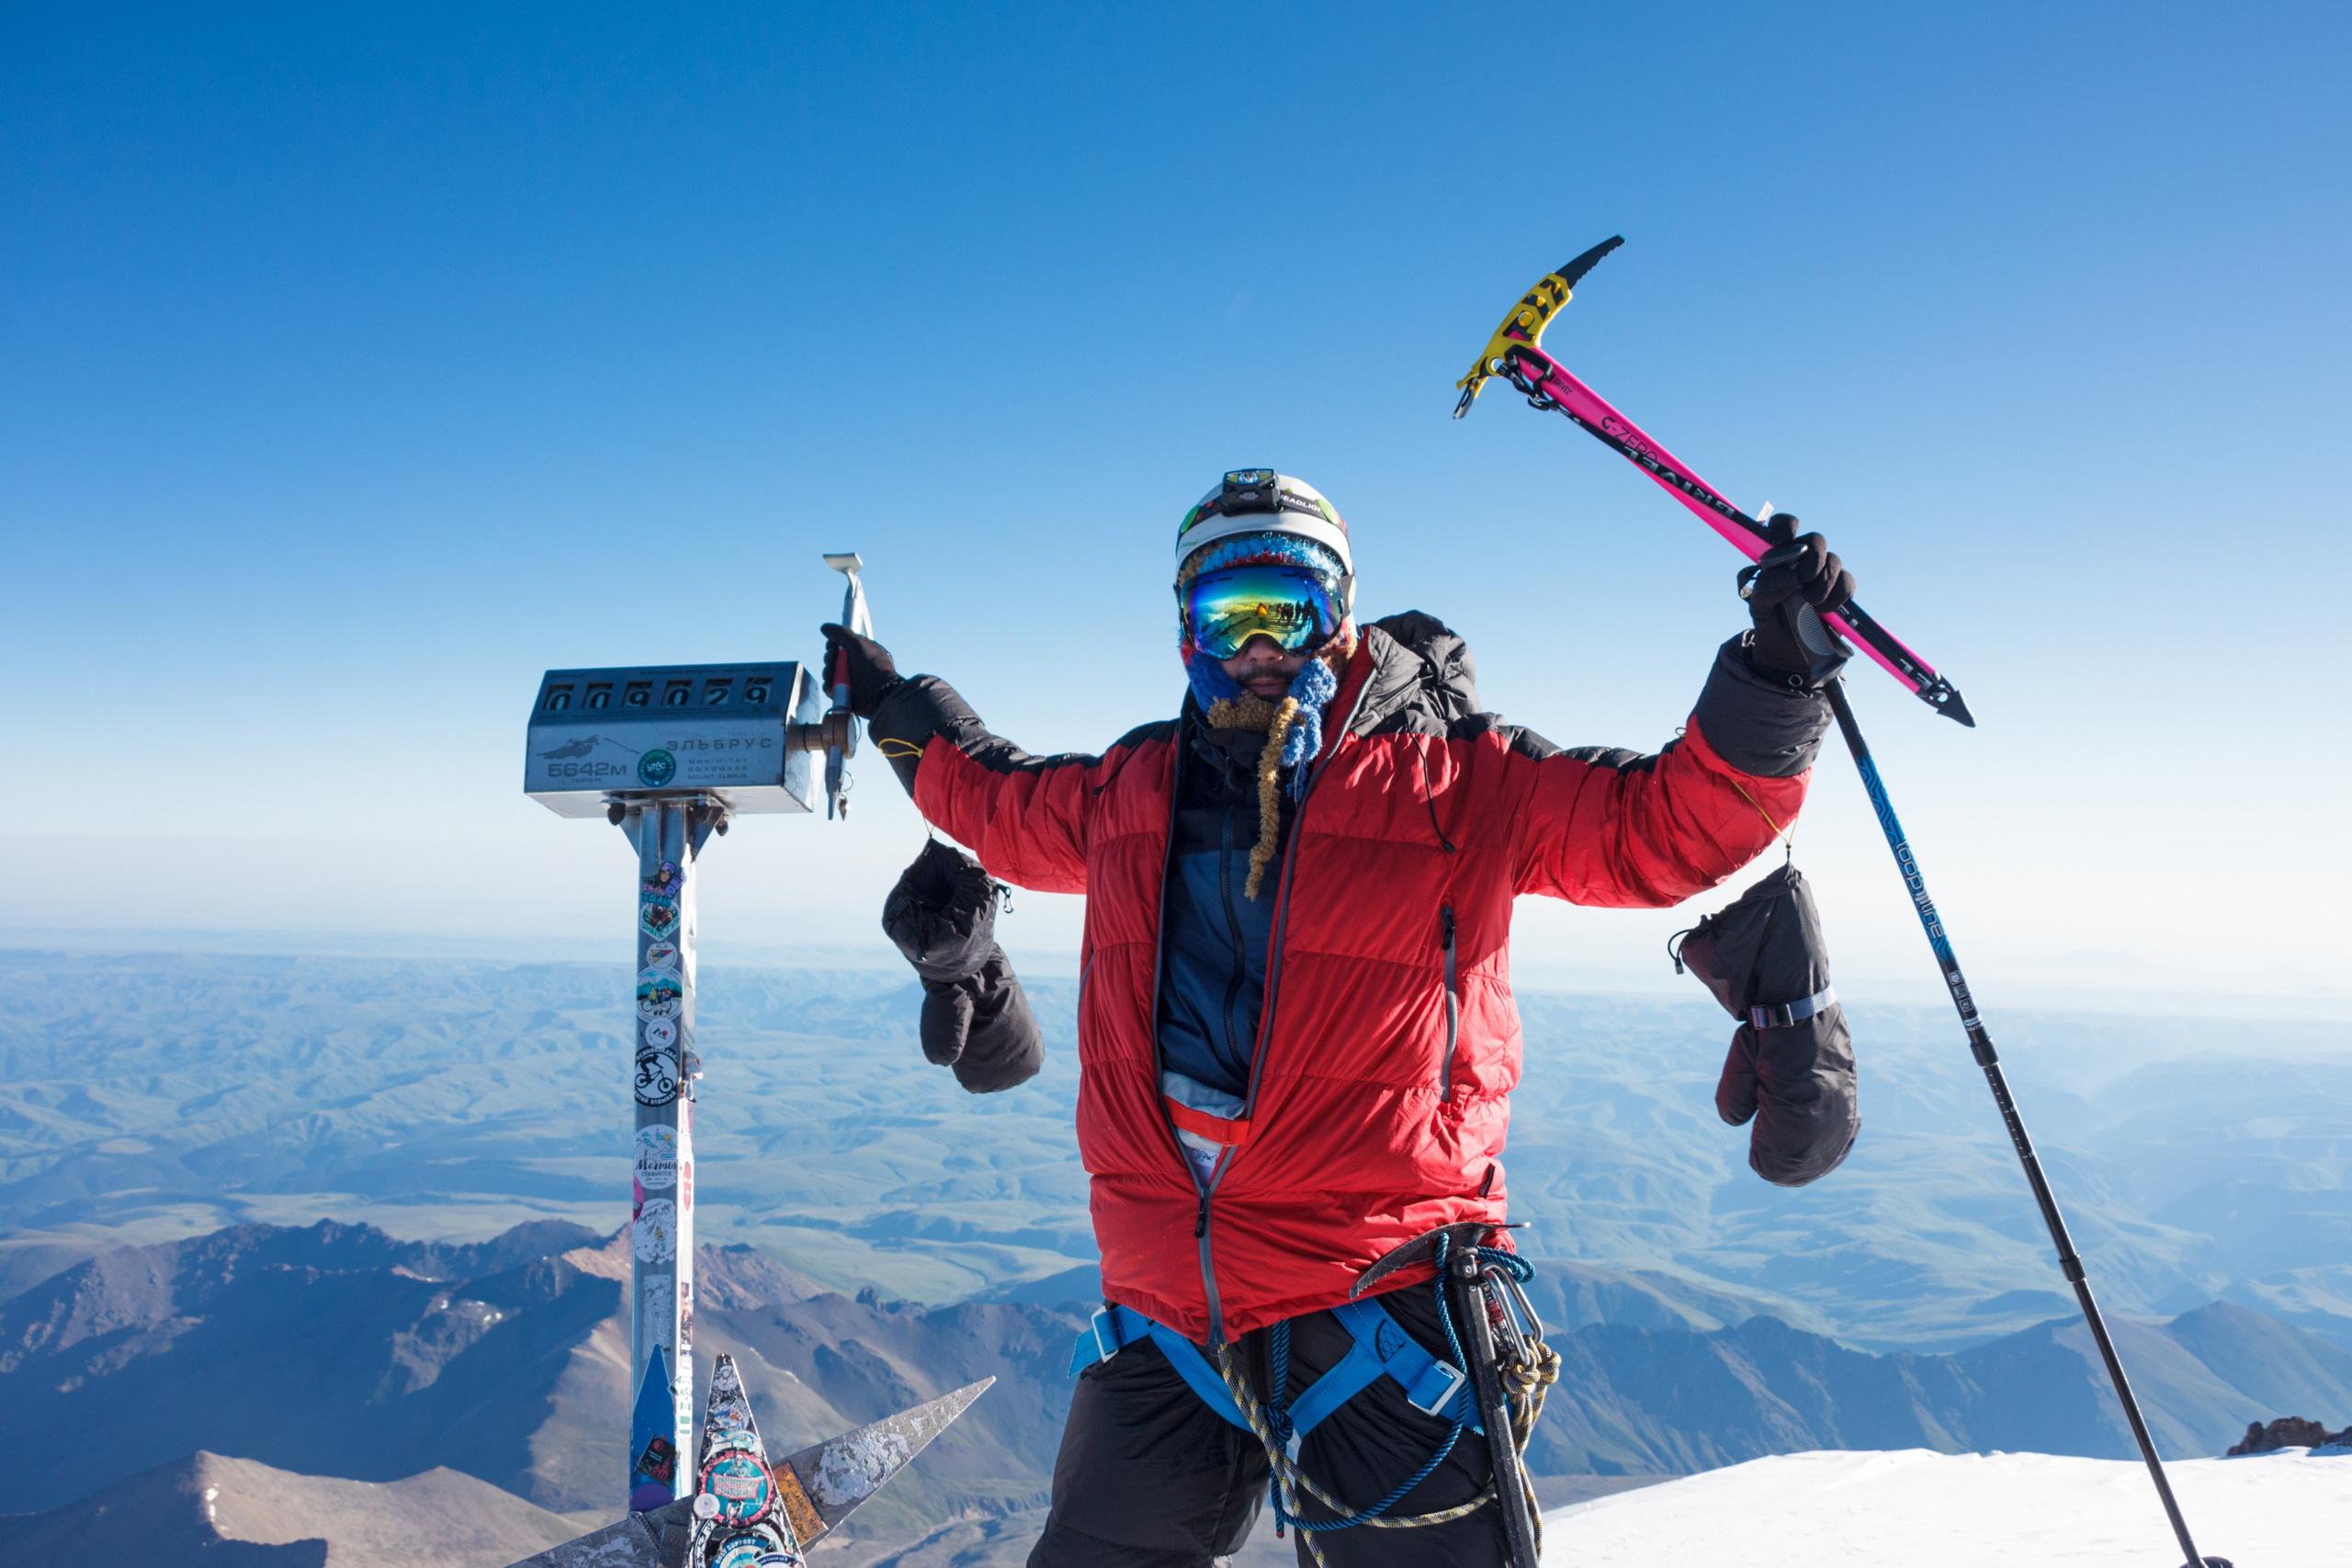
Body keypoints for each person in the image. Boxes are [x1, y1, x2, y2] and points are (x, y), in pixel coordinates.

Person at [822, 469, 1853, 1568]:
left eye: (1293, 607)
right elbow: (989, 794)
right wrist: (888, 696)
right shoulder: (1132, 789)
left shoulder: (1462, 781)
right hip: (1172, 1305)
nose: (1263, 645)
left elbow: (1664, 829)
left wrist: (1774, 675)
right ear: (1187, 630)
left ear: (1341, 612)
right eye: (1231, 614)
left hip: (1381, 1299)